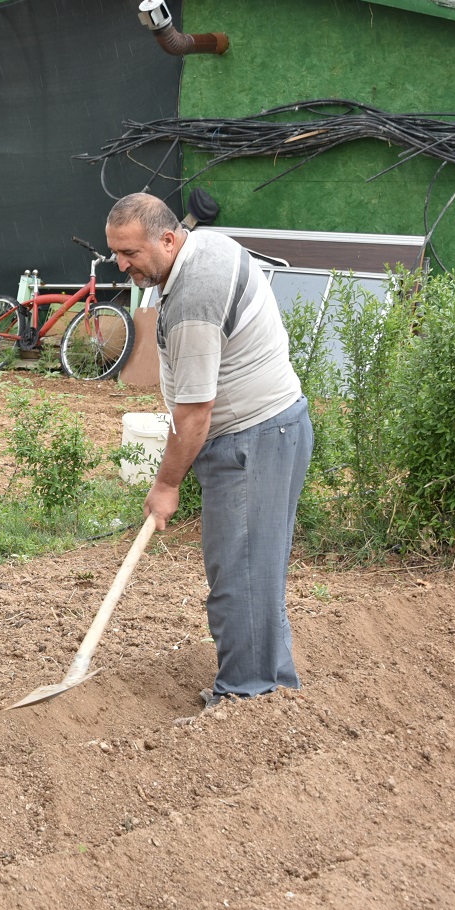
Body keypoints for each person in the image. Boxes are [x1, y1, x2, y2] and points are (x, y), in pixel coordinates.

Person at [105, 193, 312, 710]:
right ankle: (272, 686)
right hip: (273, 430)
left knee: (239, 577)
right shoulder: (203, 247)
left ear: (167, 240)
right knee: (257, 570)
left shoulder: (194, 297)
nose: (121, 264)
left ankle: (245, 695)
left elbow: (196, 412)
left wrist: (165, 485)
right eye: (115, 252)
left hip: (251, 442)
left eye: (129, 253)